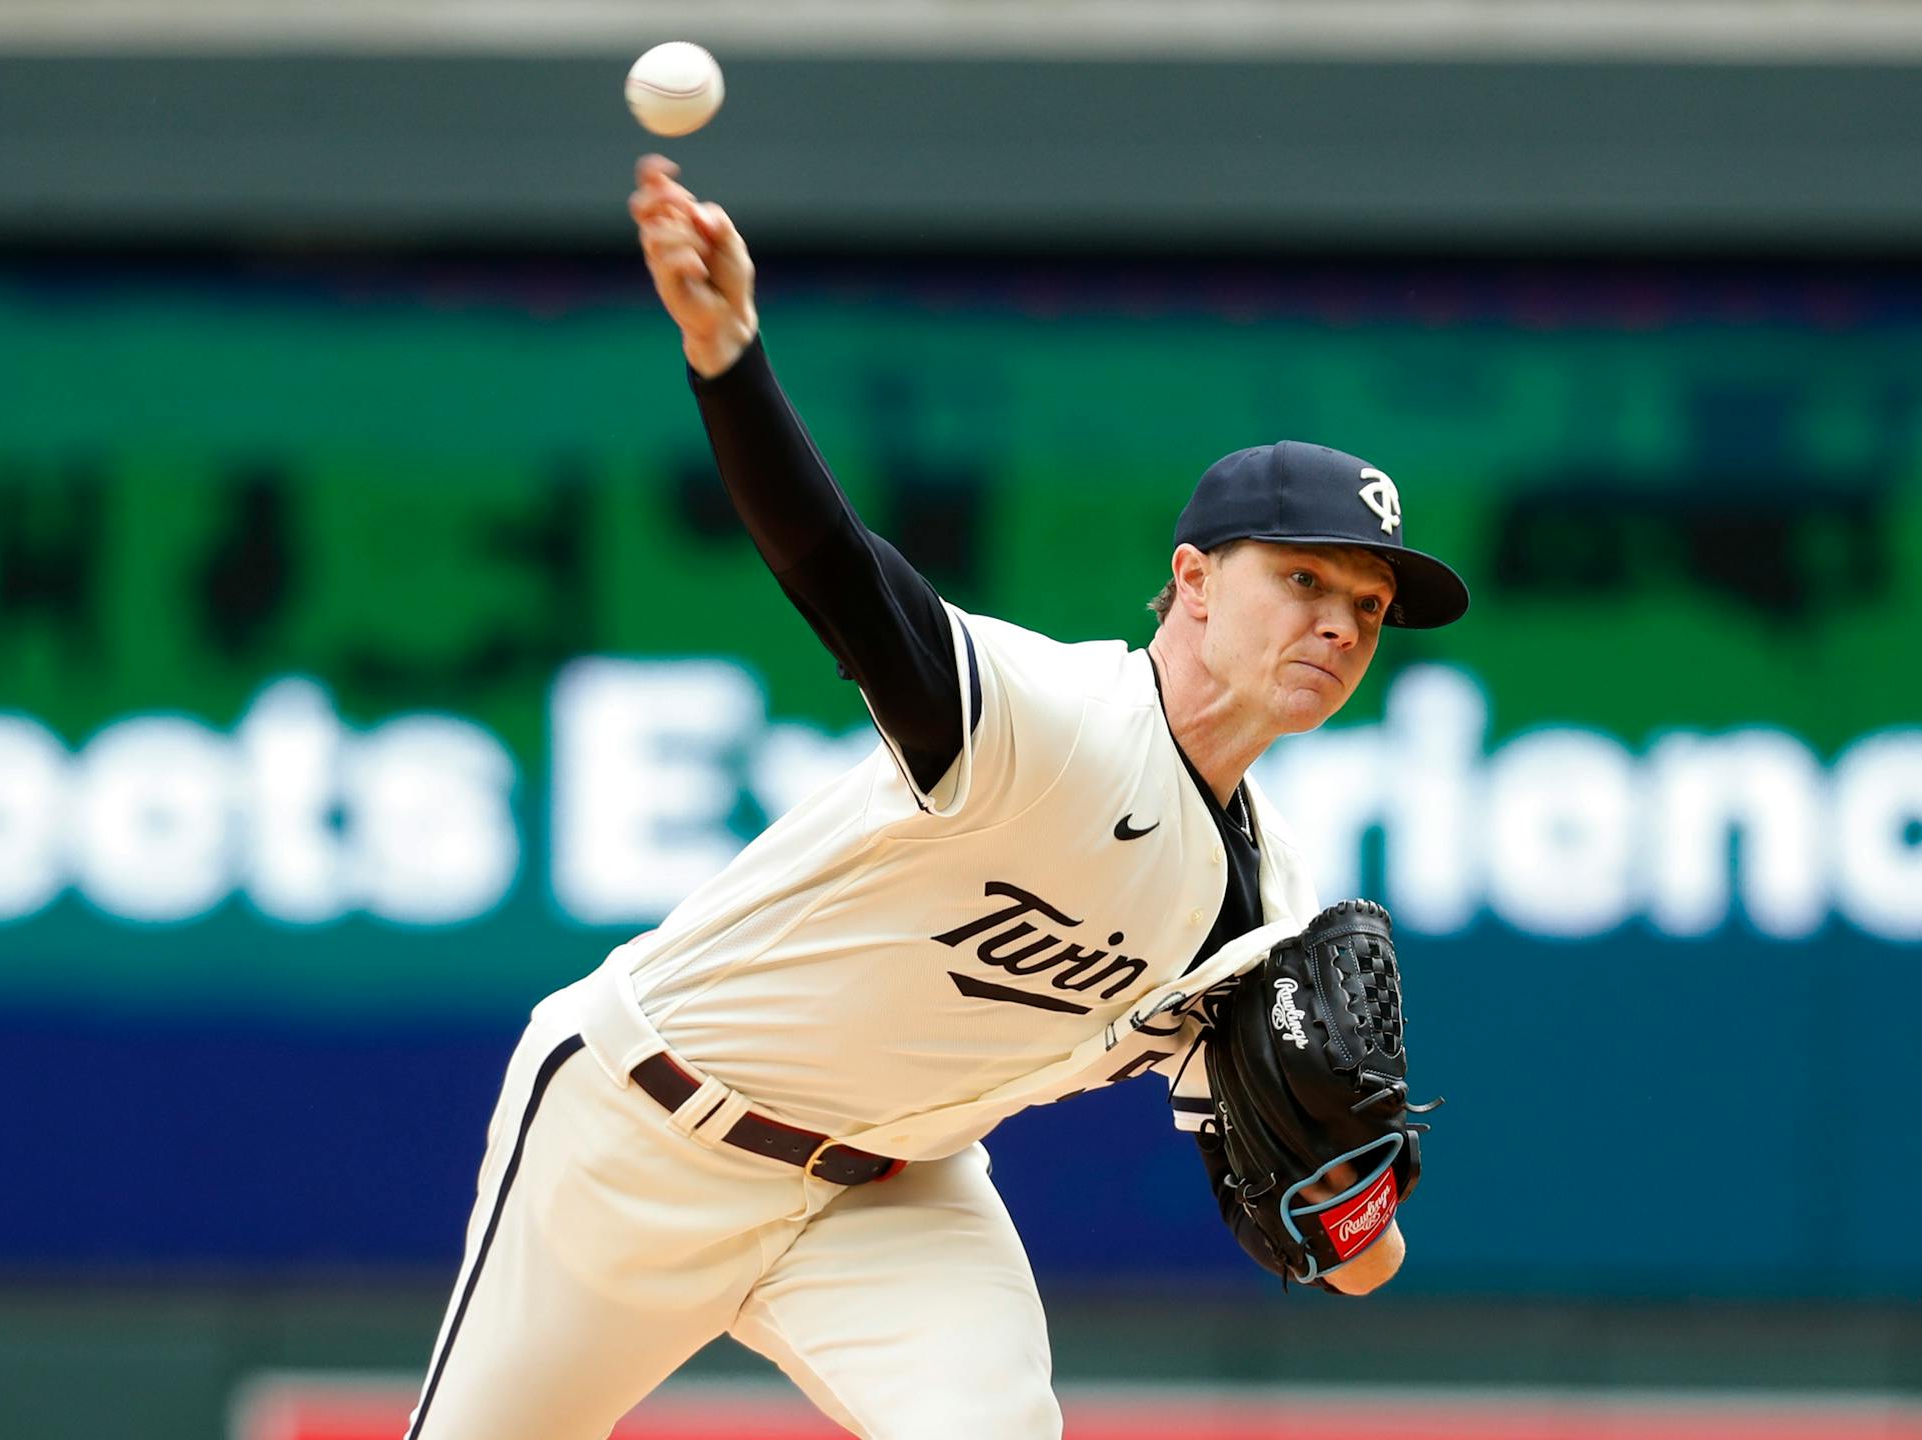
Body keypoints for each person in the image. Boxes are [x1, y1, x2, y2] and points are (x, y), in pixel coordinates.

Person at [402, 155, 1470, 1440]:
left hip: (890, 1199)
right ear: (1192, 581)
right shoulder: (1052, 721)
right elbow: (831, 566)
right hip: (641, 1132)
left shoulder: (1269, 900)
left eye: (1368, 607)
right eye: (1305, 580)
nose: (1343, 624)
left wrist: (1357, 1221)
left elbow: (1336, 1238)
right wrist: (729, 359)